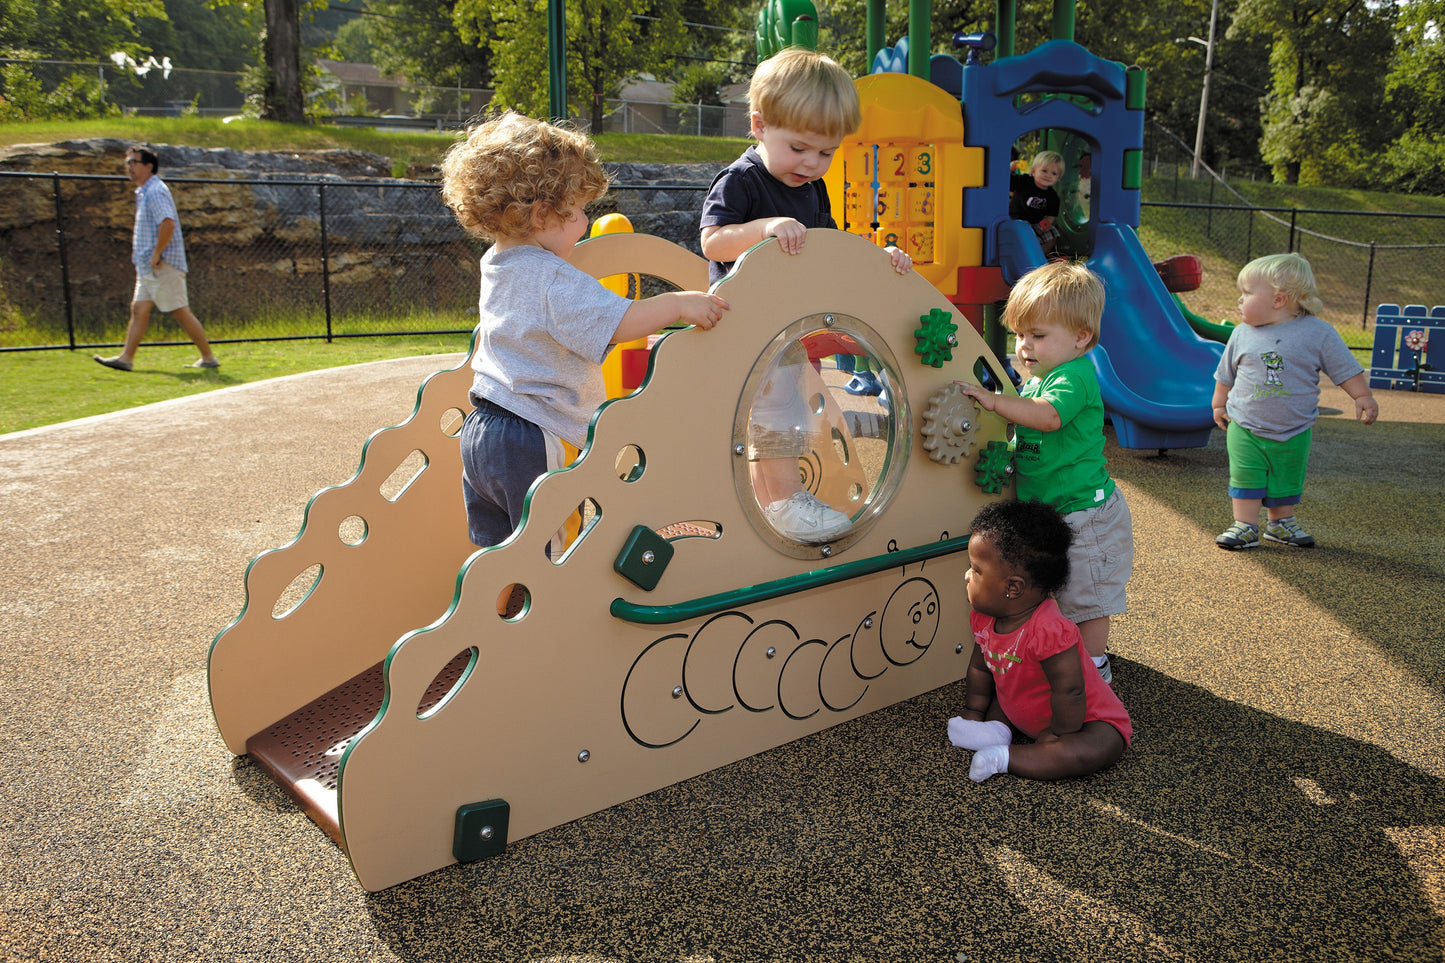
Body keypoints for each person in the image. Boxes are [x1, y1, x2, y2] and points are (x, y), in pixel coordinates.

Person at [439, 111, 729, 561]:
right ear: (541, 215)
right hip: (532, 437)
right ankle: (545, 627)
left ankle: (496, 620)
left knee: (502, 558)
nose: (583, 220)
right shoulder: (551, 276)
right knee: (550, 560)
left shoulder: (496, 263)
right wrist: (678, 304)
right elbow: (618, 322)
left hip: (481, 432)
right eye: (576, 211)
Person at [699, 46, 912, 543]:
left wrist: (879, 260)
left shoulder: (812, 188)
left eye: (826, 153)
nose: (812, 164)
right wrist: (765, 227)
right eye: (799, 148)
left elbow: (829, 251)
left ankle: (772, 500)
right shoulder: (742, 180)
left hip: (787, 328)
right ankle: (782, 504)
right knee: (775, 414)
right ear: (759, 126)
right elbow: (712, 240)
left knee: (790, 413)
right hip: (747, 325)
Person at [955, 261, 1132, 684]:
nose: (1024, 347)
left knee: (1085, 598)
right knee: (1054, 590)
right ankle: (1061, 660)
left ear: (1081, 337)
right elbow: (1032, 436)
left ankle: (1092, 670)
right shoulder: (1037, 379)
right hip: (1053, 513)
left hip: (1085, 516)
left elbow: (1048, 419)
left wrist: (997, 403)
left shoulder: (1073, 376)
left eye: (1038, 335)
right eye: (1019, 334)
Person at [947, 499, 1132, 783]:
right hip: (1025, 705)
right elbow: (980, 668)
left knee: (1094, 747)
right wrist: (974, 711)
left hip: (1083, 720)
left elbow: (1070, 691)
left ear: (1013, 587)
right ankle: (996, 729)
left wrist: (1059, 733)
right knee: (1003, 685)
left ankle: (1004, 758)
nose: (967, 575)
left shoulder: (1050, 630)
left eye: (976, 570)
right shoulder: (985, 617)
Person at [1212, 253, 1378, 550]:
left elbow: (1344, 368)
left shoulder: (1318, 333)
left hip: (1294, 427)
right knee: (1246, 473)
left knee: (1287, 475)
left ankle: (1280, 523)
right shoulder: (1241, 333)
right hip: (1246, 424)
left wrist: (1362, 395)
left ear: (1278, 300)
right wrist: (1219, 404)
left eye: (1247, 293)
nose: (1239, 300)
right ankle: (1245, 526)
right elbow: (1225, 373)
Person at [94, 146, 220, 372]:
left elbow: (168, 223)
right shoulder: (143, 192)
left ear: (148, 166)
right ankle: (126, 358)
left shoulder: (155, 191)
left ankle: (209, 358)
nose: (129, 168)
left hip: (162, 264)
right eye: (128, 163)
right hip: (147, 266)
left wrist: (157, 253)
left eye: (134, 163)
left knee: (180, 311)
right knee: (139, 309)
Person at [1009, 149, 1064, 257]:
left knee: (1053, 234)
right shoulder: (1024, 181)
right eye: (1044, 171)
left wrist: (1045, 225)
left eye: (1054, 173)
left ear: (1058, 178)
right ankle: (1022, 253)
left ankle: (1039, 255)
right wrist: (1010, 168)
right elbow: (1006, 180)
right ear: (1033, 171)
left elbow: (1052, 215)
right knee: (1024, 232)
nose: (1048, 175)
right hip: (1017, 219)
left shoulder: (1053, 196)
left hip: (1037, 223)